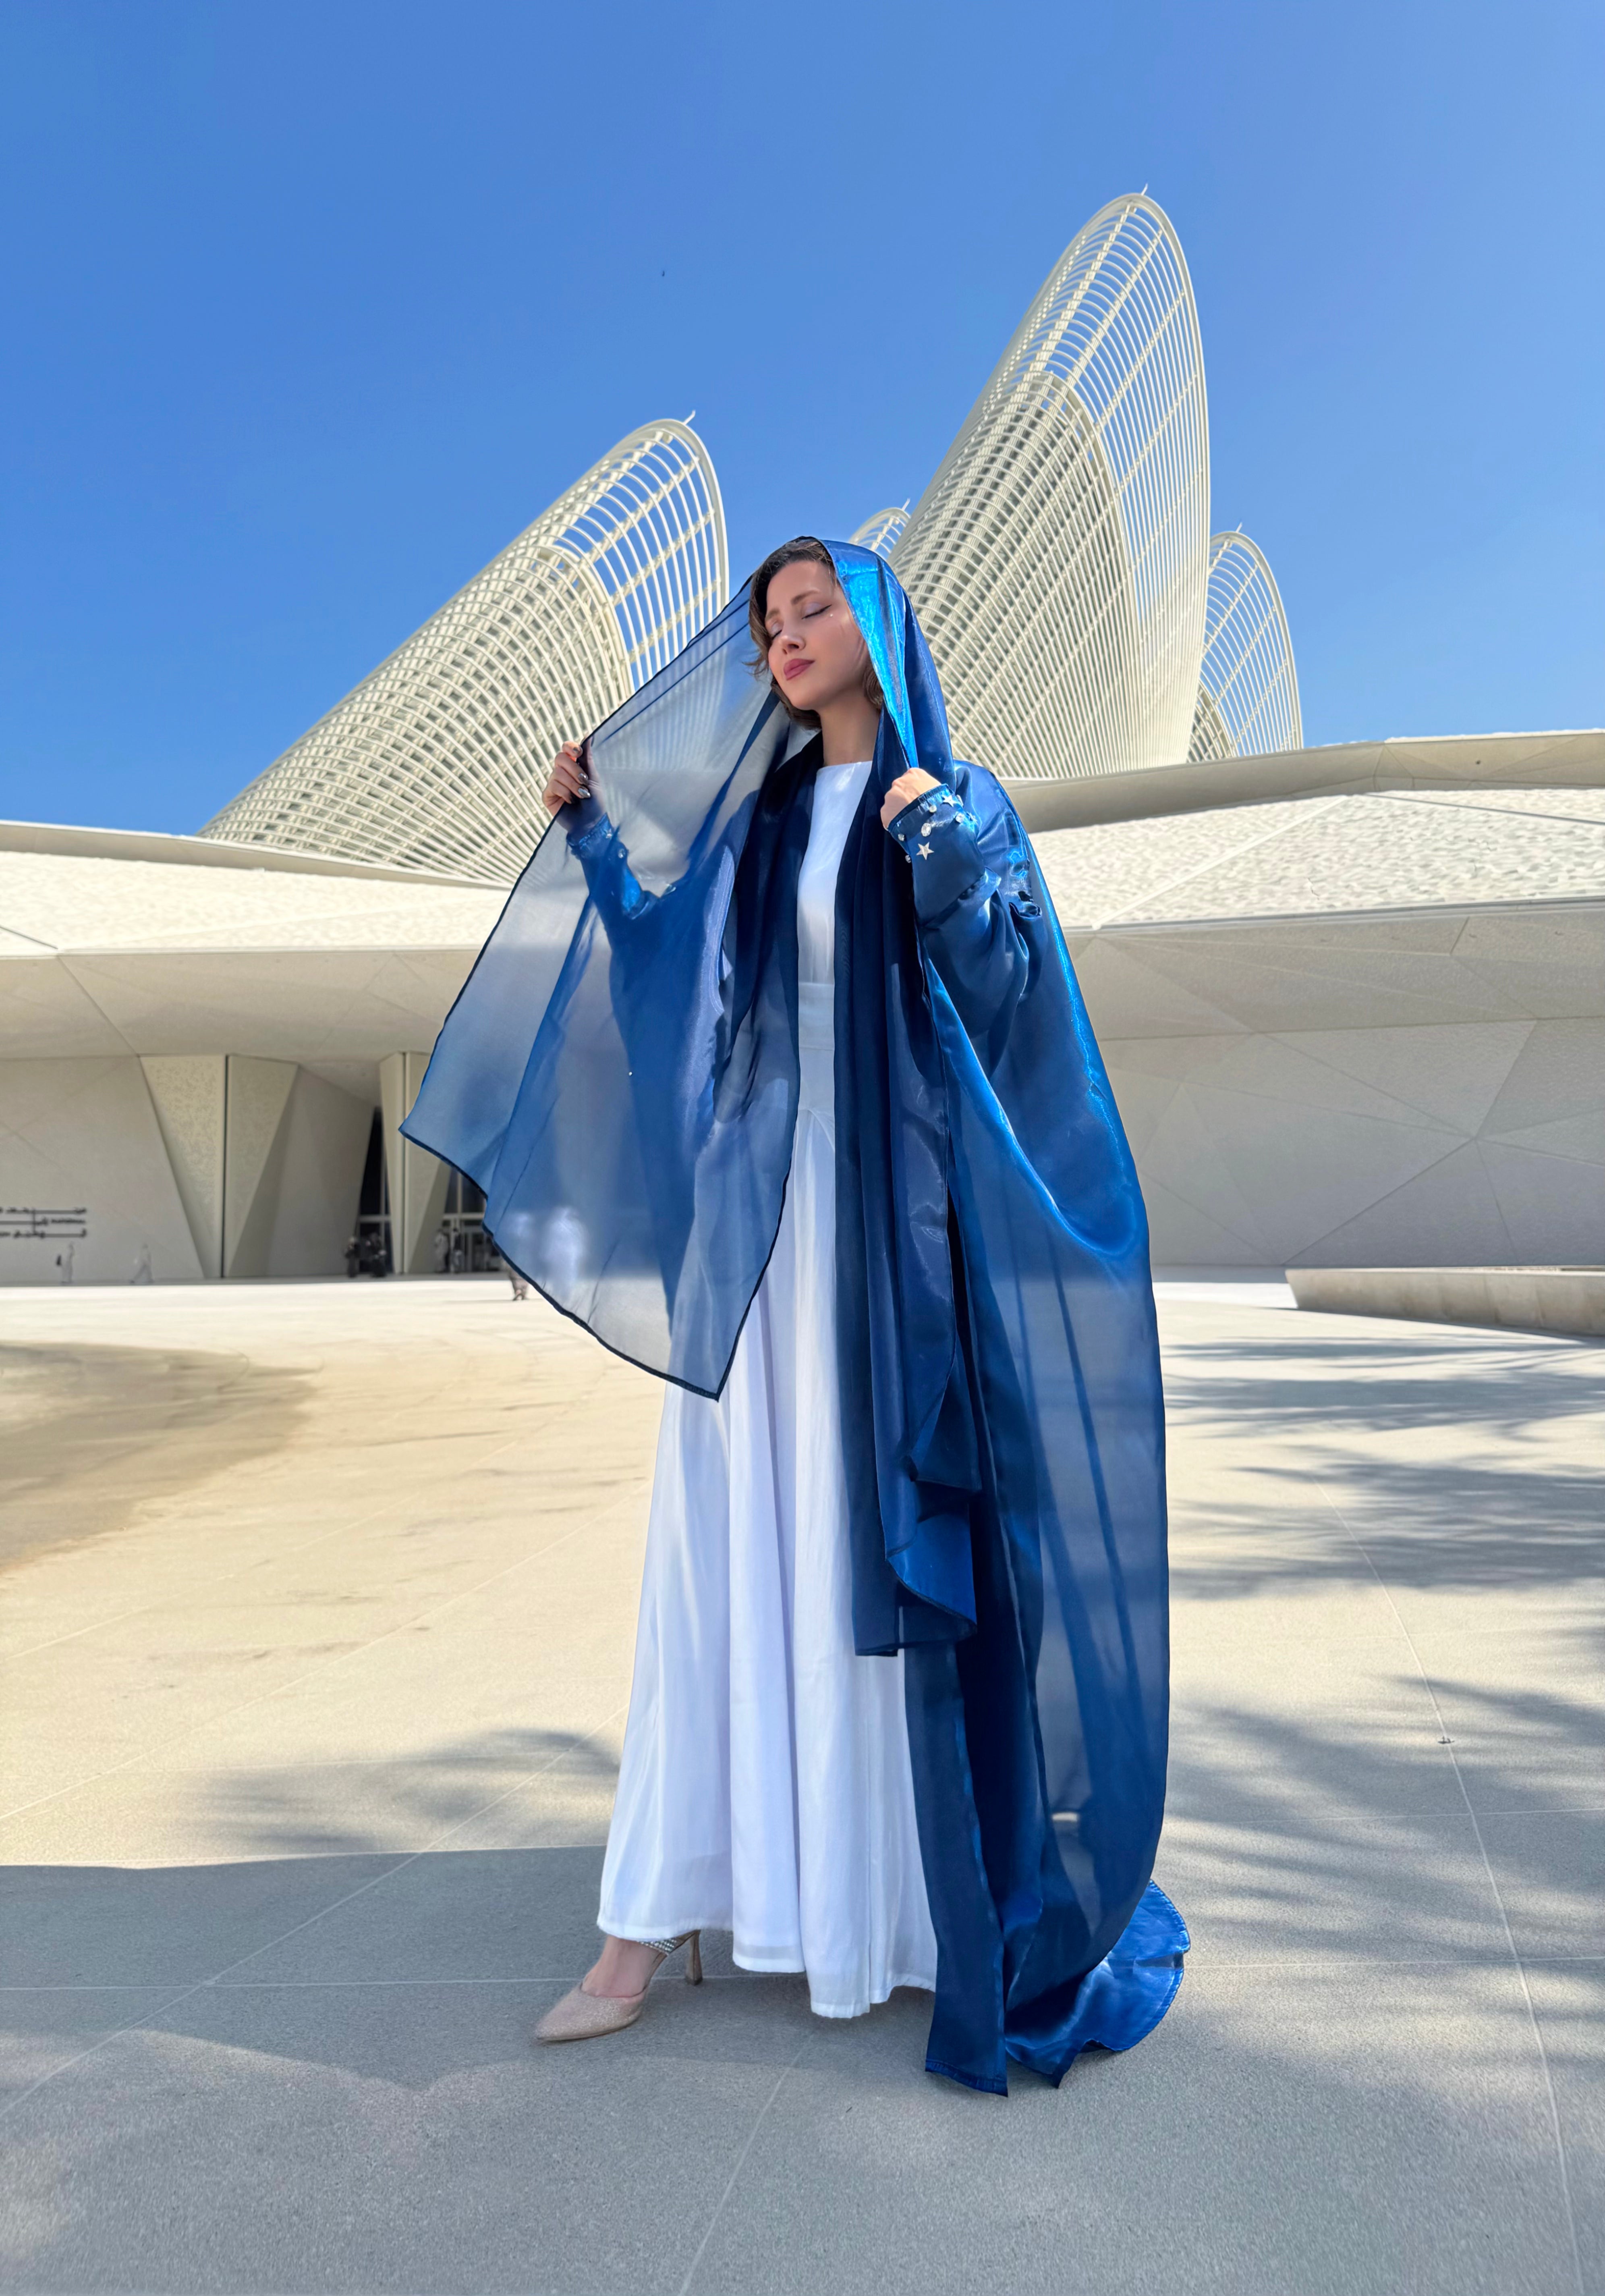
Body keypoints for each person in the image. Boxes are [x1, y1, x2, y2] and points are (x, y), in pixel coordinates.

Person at [403, 540, 1184, 2093]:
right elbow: (672, 979)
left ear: (883, 628)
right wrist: (596, 844)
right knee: (718, 1545)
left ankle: (898, 1919)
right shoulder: (761, 830)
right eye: (770, 620)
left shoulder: (952, 801)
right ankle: (656, 1915)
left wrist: (941, 848)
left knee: (869, 1546)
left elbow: (1015, 999)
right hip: (759, 1239)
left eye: (814, 610)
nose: (785, 637)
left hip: (892, 1252)